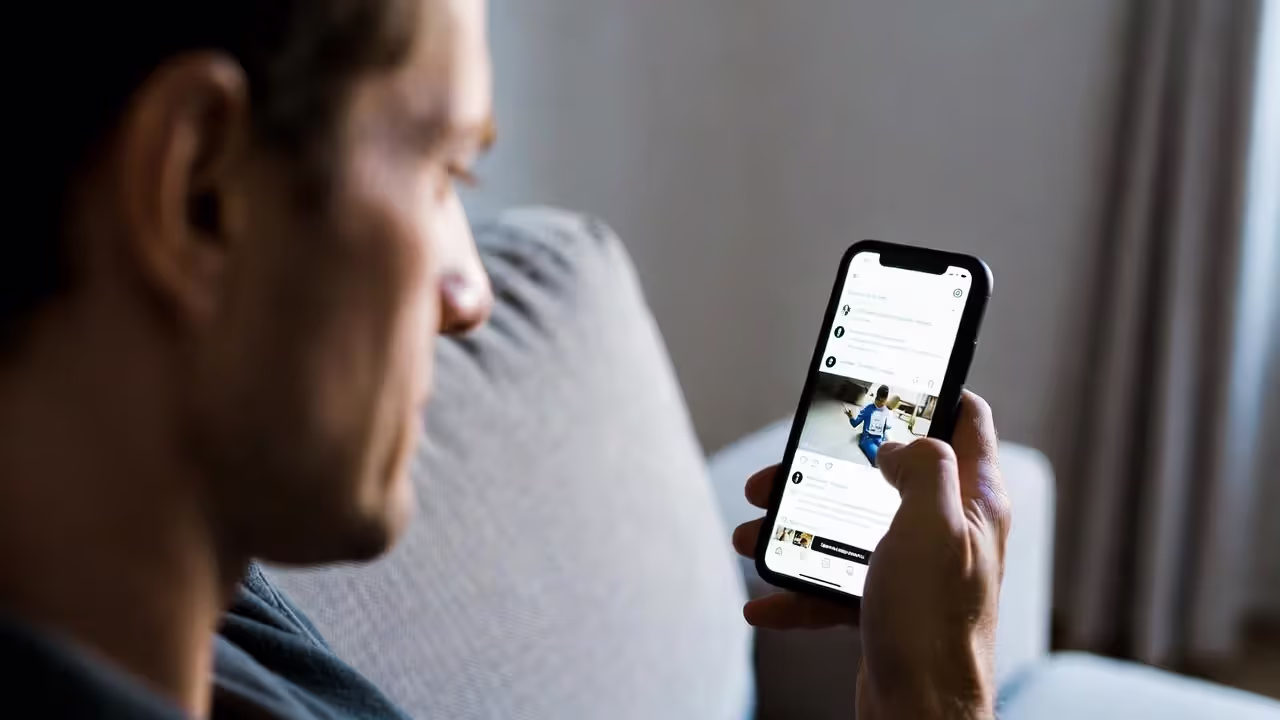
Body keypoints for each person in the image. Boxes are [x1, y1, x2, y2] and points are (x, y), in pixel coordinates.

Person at [0, 1, 1009, 719]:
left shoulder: (218, 613)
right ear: (198, 193)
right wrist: (936, 697)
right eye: (444, 172)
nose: (472, 296)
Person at [846, 385, 895, 467]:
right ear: (877, 397)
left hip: (880, 438)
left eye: (884, 402)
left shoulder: (886, 410)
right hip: (868, 439)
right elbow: (854, 424)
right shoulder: (868, 409)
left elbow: (888, 427)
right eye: (880, 401)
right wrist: (850, 417)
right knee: (879, 461)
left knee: (894, 457)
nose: (881, 404)